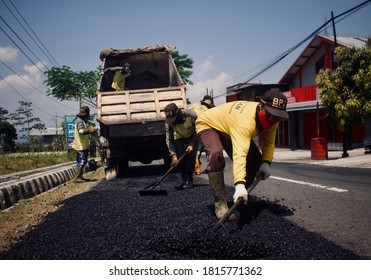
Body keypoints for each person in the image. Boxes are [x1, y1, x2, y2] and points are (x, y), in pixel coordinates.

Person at [195, 89, 289, 220]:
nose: (272, 119)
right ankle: (221, 205)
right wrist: (239, 184)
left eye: (277, 116)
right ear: (261, 106)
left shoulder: (274, 120)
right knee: (216, 154)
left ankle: (244, 195)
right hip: (208, 123)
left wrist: (266, 162)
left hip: (228, 128)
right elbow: (240, 154)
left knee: (256, 160)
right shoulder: (246, 121)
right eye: (269, 114)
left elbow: (268, 143)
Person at [164, 103, 198, 190]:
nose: (173, 121)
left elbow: (199, 129)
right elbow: (169, 139)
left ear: (178, 113)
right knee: (181, 159)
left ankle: (189, 180)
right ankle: (184, 179)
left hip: (192, 136)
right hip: (179, 139)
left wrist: (192, 143)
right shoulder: (168, 122)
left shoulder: (191, 115)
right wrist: (174, 157)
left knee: (191, 159)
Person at [71, 106, 98, 182]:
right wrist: (90, 131)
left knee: (82, 161)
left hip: (82, 145)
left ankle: (80, 176)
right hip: (80, 145)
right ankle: (77, 177)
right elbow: (81, 131)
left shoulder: (82, 120)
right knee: (82, 161)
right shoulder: (79, 121)